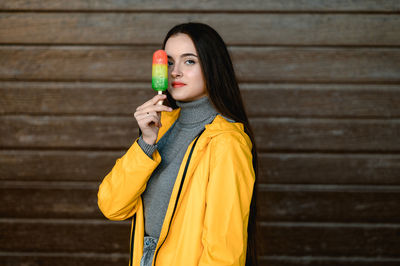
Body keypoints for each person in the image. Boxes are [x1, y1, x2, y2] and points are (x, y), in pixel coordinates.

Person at [97, 22, 258, 266]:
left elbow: (224, 249)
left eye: (189, 61)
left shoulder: (226, 142)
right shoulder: (160, 127)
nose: (175, 71)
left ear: (213, 68)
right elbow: (112, 206)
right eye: (169, 62)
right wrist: (146, 143)